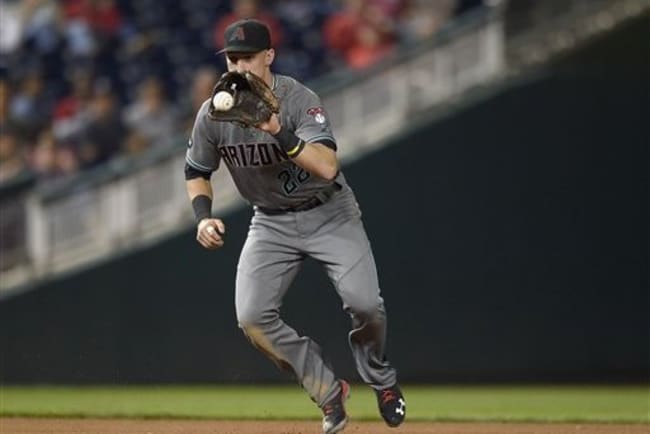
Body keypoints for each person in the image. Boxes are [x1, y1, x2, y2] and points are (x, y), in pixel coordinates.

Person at [184, 19, 406, 434]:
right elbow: (196, 169)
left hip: (329, 213)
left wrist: (277, 130)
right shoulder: (215, 111)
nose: (239, 65)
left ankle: (382, 380)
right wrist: (203, 216)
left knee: (365, 305)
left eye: (248, 56)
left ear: (269, 56)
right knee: (251, 316)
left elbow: (326, 166)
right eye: (233, 58)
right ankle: (328, 393)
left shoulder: (299, 99)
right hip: (270, 222)